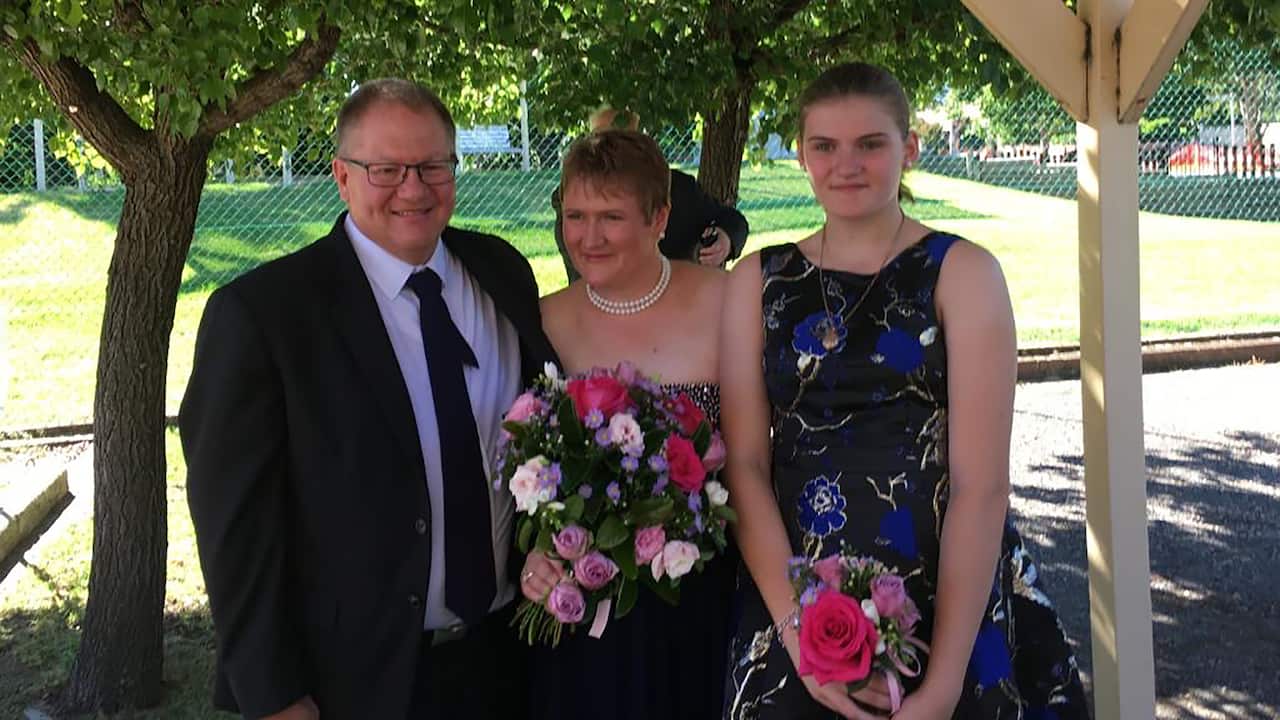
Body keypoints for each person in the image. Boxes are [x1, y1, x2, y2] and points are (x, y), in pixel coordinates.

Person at [720, 63, 1088, 719]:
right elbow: (745, 464)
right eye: (824, 146)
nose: (846, 164)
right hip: (797, 587)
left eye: (871, 144)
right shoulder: (758, 281)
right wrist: (798, 631)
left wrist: (944, 682)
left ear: (909, 148)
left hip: (943, 586)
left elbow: (982, 485)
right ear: (802, 154)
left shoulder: (962, 272)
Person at [181, 78, 557, 720]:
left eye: (433, 165)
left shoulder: (502, 273)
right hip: (353, 680)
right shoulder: (264, 315)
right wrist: (271, 694)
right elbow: (234, 526)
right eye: (386, 168)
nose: (414, 188)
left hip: (505, 657)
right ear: (342, 176)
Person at [518, 129, 737, 719]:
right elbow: (532, 467)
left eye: (611, 216)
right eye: (575, 215)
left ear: (660, 216)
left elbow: (755, 458)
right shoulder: (544, 319)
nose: (588, 238)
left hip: (702, 590)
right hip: (586, 604)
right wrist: (537, 554)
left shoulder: (726, 303)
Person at [551, 107, 749, 282]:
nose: (592, 239)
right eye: (577, 216)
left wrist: (725, 238)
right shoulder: (571, 194)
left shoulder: (676, 188)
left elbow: (731, 220)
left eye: (613, 217)